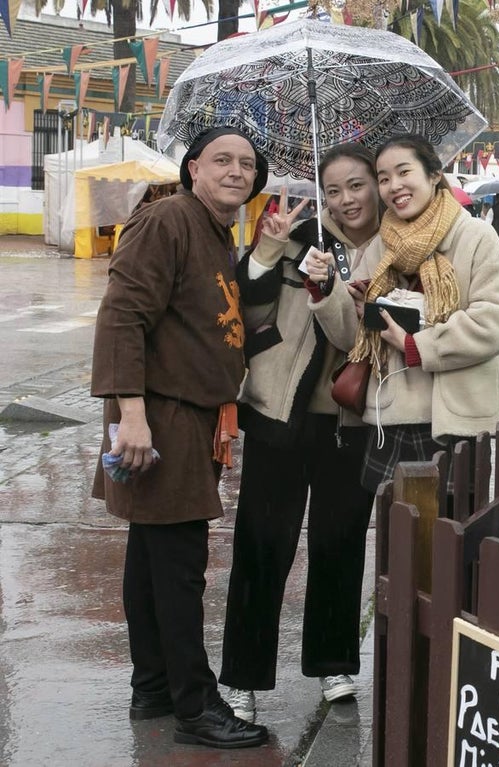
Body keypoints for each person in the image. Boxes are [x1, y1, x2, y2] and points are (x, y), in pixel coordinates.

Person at [90, 126, 270, 749]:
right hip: (161, 415)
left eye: (248, 164)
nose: (236, 172)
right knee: (180, 566)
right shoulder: (168, 219)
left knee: (151, 559)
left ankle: (155, 688)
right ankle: (196, 705)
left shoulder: (216, 233)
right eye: (222, 160)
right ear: (193, 169)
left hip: (191, 416)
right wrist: (130, 416)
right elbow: (122, 313)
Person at [218, 143, 384, 723]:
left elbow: (363, 334)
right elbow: (248, 299)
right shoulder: (297, 237)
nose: (345, 200)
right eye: (333, 189)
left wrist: (335, 288)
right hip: (279, 413)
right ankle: (241, 677)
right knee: (262, 546)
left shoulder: (398, 251)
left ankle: (333, 663)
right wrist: (267, 248)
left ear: (377, 185)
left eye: (356, 186)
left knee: (340, 543)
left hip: (351, 421)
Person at [354, 133, 499, 494]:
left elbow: (496, 321)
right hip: (394, 416)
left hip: (455, 419)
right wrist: (342, 299)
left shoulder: (475, 236)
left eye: (403, 172)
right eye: (383, 178)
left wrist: (417, 344)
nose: (393, 186)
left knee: (454, 540)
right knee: (398, 541)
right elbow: (353, 339)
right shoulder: (378, 248)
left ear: (433, 175)